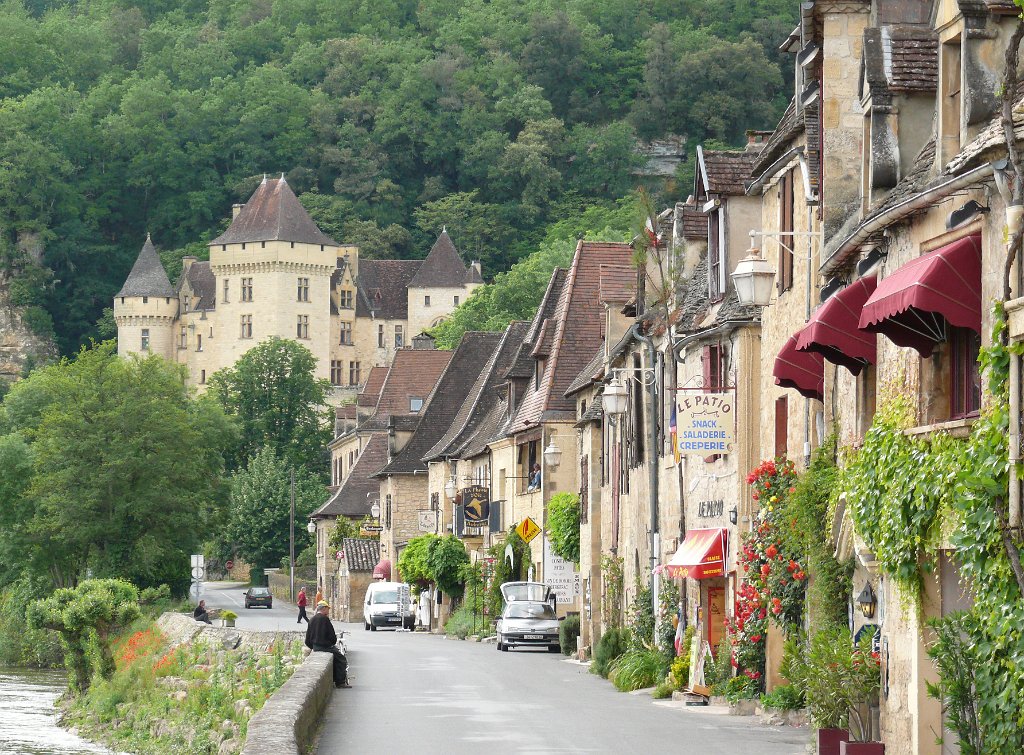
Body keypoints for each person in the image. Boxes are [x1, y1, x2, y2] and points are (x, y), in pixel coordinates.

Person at [306, 600, 349, 688]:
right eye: (327, 609)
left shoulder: (312, 620)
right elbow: (332, 636)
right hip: (326, 647)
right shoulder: (325, 619)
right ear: (324, 608)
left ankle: (335, 679)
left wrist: (313, 647)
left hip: (316, 647)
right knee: (341, 660)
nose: (328, 611)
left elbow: (307, 639)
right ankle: (340, 682)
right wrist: (331, 644)